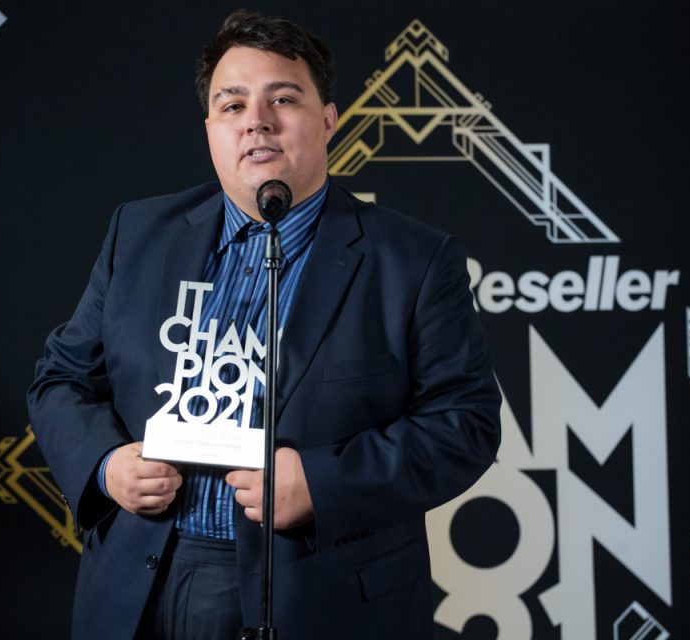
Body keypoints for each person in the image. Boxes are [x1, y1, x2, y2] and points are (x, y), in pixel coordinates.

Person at [27, 9, 500, 640]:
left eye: (283, 99)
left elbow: (465, 425)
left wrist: (323, 484)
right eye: (232, 105)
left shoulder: (413, 260)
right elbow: (61, 379)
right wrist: (106, 464)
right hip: (142, 585)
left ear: (328, 120)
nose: (257, 120)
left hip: (321, 594)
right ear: (210, 129)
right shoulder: (137, 234)